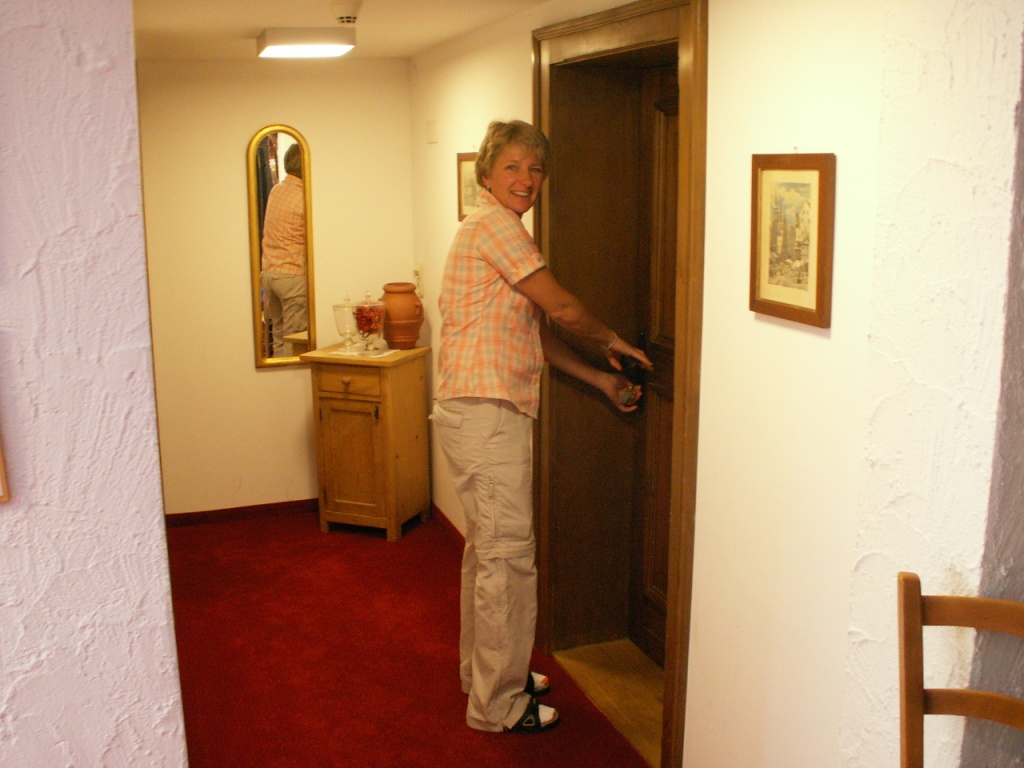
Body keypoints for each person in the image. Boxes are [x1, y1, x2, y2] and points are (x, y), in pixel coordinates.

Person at [432, 119, 653, 734]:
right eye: (512, 166)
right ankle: (498, 705)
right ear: (486, 173)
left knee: (489, 555)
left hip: (477, 410)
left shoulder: (489, 227)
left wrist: (599, 378)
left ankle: (483, 676)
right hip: (485, 413)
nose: (526, 178)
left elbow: (536, 333)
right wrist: (613, 340)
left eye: (535, 168)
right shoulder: (497, 227)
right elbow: (561, 308)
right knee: (508, 558)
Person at [261, 143, 307, 357]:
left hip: (270, 274)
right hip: (292, 276)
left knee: (279, 336)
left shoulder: (277, 190)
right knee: (295, 339)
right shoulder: (304, 198)